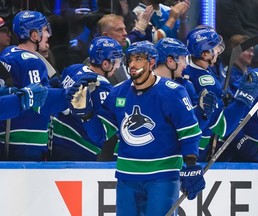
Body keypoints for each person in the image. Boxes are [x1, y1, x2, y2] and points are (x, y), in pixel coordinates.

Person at [66, 40, 205, 215]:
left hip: (163, 177)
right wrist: (85, 114)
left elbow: (189, 132)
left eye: (139, 59)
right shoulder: (117, 93)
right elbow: (99, 136)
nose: (132, 64)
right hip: (127, 177)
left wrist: (191, 165)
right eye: (130, 59)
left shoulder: (172, 92)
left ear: (152, 62)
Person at [182, 26, 258, 161]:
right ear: (205, 54)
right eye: (215, 47)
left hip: (182, 146)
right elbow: (223, 127)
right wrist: (243, 99)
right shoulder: (206, 82)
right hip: (196, 151)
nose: (218, 50)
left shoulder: (187, 67)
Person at [0, 10, 69, 161]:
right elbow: (40, 102)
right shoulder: (32, 62)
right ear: (34, 35)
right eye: (45, 30)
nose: (48, 35)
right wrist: (66, 96)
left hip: (6, 136)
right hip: (26, 141)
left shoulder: (8, 52)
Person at [50, 36, 123, 161]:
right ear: (105, 64)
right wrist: (88, 115)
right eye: (115, 61)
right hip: (78, 150)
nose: (117, 66)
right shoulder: (103, 88)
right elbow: (99, 135)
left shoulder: (73, 69)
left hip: (54, 139)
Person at [154, 37, 218, 130]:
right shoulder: (141, 85)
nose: (185, 65)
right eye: (183, 59)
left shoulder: (186, 86)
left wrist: (202, 114)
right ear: (170, 61)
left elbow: (195, 128)